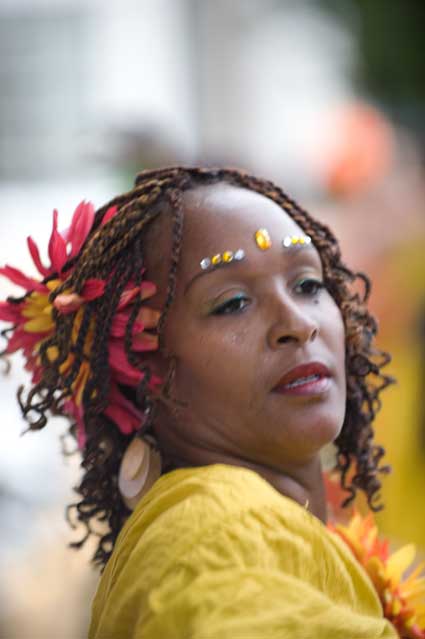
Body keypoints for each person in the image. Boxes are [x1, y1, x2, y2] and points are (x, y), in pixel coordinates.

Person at [1, 167, 421, 638]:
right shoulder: (220, 533)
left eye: (307, 285)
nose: (299, 324)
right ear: (146, 369)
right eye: (233, 303)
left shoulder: (264, 531)